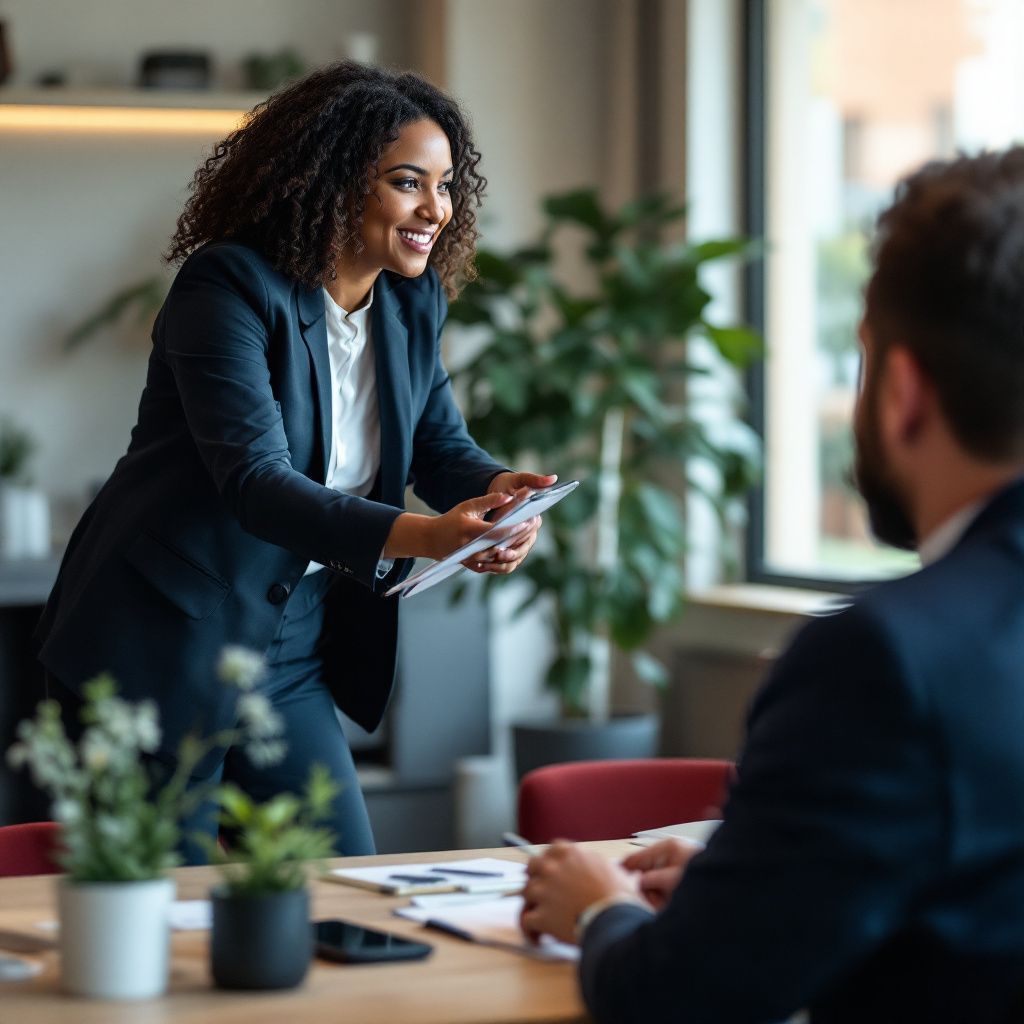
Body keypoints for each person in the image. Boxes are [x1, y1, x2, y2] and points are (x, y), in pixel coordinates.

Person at [521, 146, 1024, 1024]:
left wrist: (600, 909)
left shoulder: (884, 658)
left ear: (902, 390)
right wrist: (755, 886)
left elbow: (680, 1001)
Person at [35, 61, 554, 860]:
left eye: (445, 185)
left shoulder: (413, 300)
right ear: (340, 182)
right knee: (168, 921)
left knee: (344, 884)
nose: (434, 210)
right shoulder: (229, 287)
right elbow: (257, 483)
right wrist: (427, 536)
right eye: (408, 182)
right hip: (162, 641)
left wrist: (497, 494)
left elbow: (437, 444)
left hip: (288, 645)